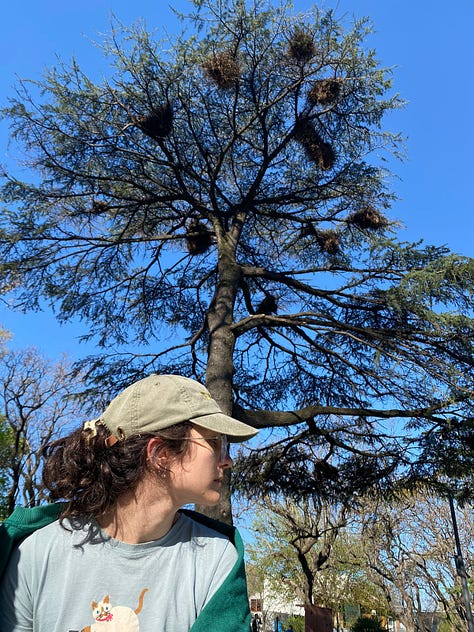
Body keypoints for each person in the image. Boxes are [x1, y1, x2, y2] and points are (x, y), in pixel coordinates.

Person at [0, 374, 259, 632]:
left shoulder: (215, 560)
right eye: (215, 442)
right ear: (161, 454)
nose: (228, 460)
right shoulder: (37, 555)